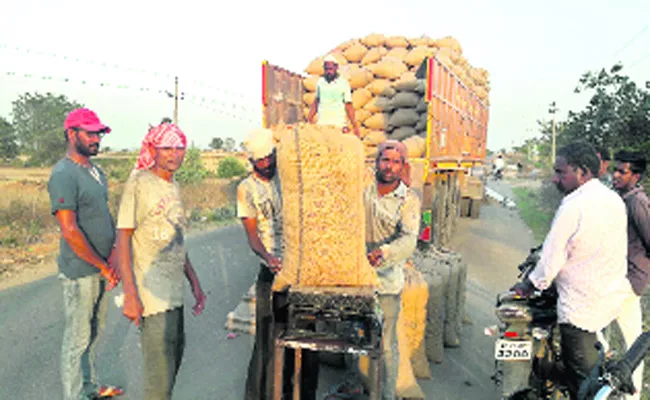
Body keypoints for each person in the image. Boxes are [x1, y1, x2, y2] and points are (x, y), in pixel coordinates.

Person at [512, 142, 635, 400]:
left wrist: (530, 284)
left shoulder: (573, 206)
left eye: (561, 172)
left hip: (580, 309)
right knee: (592, 372)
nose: (556, 179)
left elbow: (550, 260)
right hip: (607, 302)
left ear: (582, 172)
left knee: (584, 386)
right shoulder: (613, 199)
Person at [115, 122, 206, 400]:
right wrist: (130, 294)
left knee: (173, 366)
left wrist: (194, 282)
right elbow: (123, 238)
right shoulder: (139, 183)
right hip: (152, 296)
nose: (173, 154)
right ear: (153, 149)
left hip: (174, 293)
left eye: (179, 148)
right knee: (159, 379)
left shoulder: (173, 186)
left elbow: (176, 239)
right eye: (166, 148)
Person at [47, 107, 124, 400]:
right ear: (71, 134)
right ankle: (74, 394)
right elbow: (70, 230)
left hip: (103, 267)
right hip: (81, 271)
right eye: (90, 133)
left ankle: (90, 388)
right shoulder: (63, 174)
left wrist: (114, 256)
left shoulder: (96, 171)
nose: (96, 139)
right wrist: (102, 266)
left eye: (98, 133)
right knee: (77, 339)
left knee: (94, 333)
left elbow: (104, 216)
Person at [239, 128, 319, 400]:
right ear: (252, 162)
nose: (268, 163)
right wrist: (268, 257)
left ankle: (302, 393)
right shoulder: (246, 189)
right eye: (262, 160)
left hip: (299, 270)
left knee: (306, 340)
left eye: (271, 156)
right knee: (269, 340)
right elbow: (251, 235)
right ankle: (261, 395)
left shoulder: (289, 179)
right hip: (271, 271)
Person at [364, 140, 421, 399]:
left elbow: (409, 240)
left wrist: (384, 253)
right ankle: (356, 383)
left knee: (386, 345)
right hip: (356, 280)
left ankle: (386, 395)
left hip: (386, 281)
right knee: (355, 337)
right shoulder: (362, 190)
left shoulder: (408, 200)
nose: (389, 166)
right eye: (385, 160)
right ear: (376, 162)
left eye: (395, 162)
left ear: (402, 167)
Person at [607, 150, 648, 400]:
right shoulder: (622, 199)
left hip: (630, 279)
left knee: (585, 318)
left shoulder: (637, 202)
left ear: (636, 176)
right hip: (621, 277)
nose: (616, 175)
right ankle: (629, 392)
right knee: (631, 338)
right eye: (615, 170)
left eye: (623, 171)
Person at [307, 54, 361, 137]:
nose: (328, 72)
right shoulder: (320, 82)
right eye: (326, 69)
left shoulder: (343, 83)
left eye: (331, 69)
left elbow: (348, 105)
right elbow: (317, 101)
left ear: (336, 68)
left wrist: (355, 125)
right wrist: (309, 119)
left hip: (338, 126)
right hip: (322, 125)